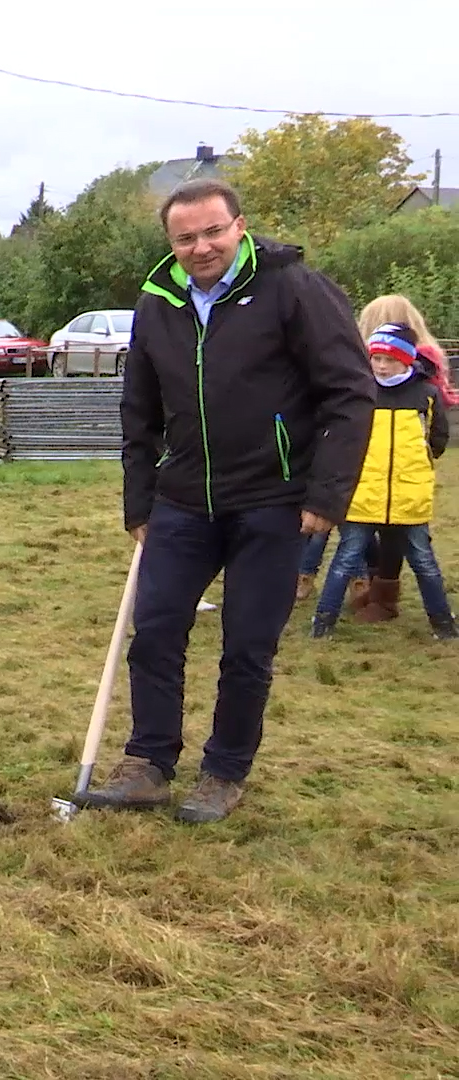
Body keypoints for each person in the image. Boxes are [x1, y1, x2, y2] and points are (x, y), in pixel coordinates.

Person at [86, 178, 373, 824]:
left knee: (247, 644)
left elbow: (350, 393)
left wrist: (327, 495)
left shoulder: (293, 289)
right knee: (155, 630)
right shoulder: (157, 301)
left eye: (213, 231)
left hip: (275, 501)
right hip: (183, 500)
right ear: (171, 242)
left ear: (240, 226)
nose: (201, 246)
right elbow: (139, 411)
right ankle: (148, 763)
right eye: (185, 237)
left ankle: (224, 771)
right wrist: (140, 504)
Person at [310, 323, 454, 640]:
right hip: (363, 497)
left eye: (389, 360)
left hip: (408, 499)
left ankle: (444, 626)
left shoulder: (426, 395)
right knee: (344, 560)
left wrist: (417, 466)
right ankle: (322, 624)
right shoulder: (358, 393)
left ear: (406, 359)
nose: (381, 366)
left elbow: (438, 438)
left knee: (425, 564)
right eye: (376, 359)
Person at [348, 295, 457, 621]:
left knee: (394, 531)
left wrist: (422, 453)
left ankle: (384, 595)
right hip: (382, 458)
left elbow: (435, 417)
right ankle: (375, 588)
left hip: (402, 456)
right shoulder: (394, 360)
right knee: (368, 527)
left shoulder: (417, 363)